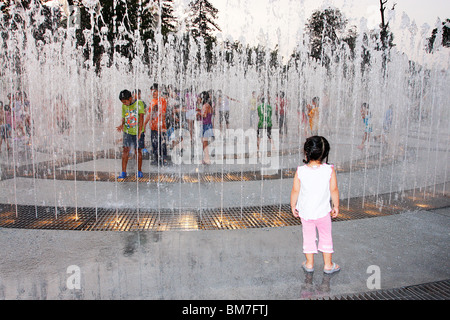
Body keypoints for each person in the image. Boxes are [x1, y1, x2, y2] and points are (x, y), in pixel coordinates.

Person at [290, 136, 340, 274]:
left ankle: (309, 263)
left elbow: (295, 190)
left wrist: (293, 205)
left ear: (306, 152)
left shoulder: (300, 171)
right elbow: (334, 189)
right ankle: (328, 264)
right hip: (323, 212)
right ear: (325, 154)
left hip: (306, 213)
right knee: (326, 236)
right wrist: (336, 206)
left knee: (308, 237)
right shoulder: (329, 170)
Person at [116, 89, 145, 179]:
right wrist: (122, 125)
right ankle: (123, 172)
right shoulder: (124, 106)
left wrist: (140, 131)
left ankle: (139, 171)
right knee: (125, 150)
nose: (124, 103)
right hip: (127, 131)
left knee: (138, 150)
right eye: (122, 102)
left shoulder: (139, 103)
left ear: (130, 98)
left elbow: (141, 118)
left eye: (125, 101)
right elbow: (124, 117)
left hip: (137, 132)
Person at [143, 83, 168, 166]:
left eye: (155, 91)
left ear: (159, 91)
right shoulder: (152, 101)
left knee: (162, 143)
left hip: (160, 127)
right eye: (152, 91)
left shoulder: (162, 100)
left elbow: (163, 114)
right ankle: (157, 159)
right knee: (154, 143)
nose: (153, 93)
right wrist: (145, 124)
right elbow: (150, 114)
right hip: (153, 127)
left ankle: (163, 160)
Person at [197, 91, 214, 165]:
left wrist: (198, 113)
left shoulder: (205, 105)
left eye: (199, 98)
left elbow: (204, 115)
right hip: (206, 125)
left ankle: (207, 159)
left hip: (206, 125)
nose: (198, 99)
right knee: (204, 142)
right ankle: (206, 158)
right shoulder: (207, 105)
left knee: (205, 143)